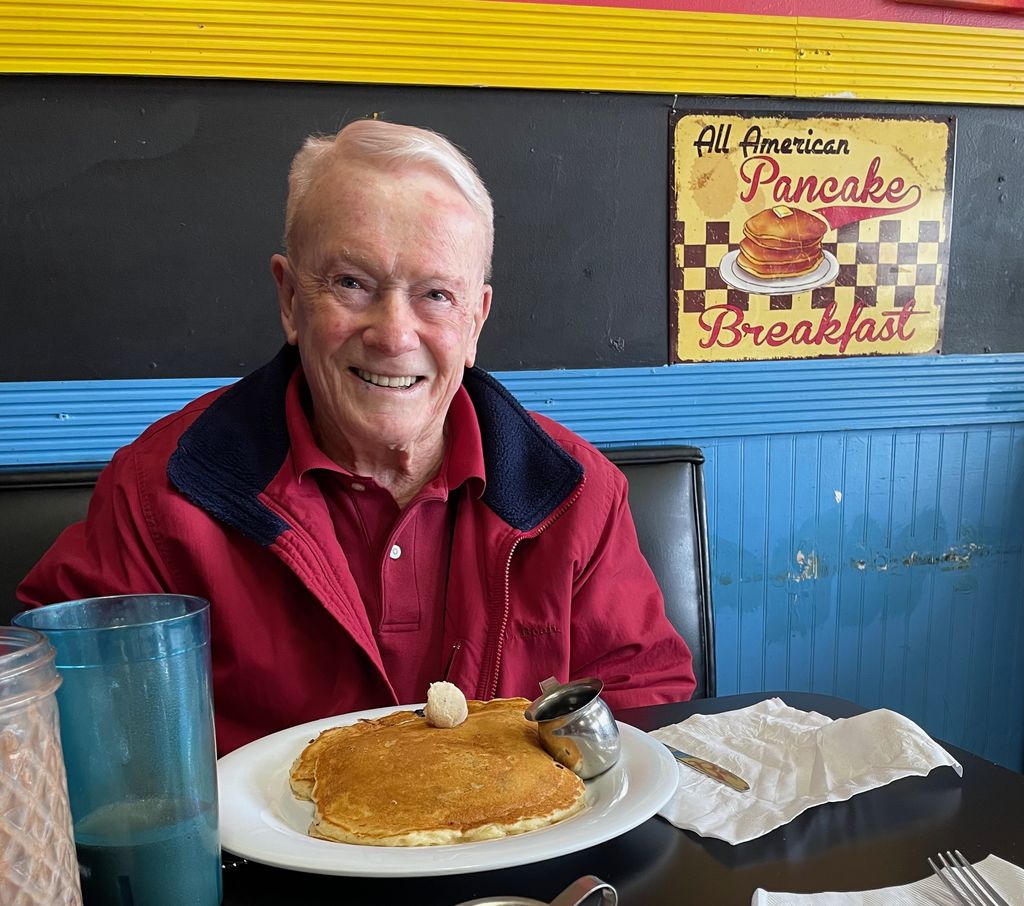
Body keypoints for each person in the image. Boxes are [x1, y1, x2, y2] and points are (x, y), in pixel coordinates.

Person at [19, 119, 695, 754]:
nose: (394, 334)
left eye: (435, 294)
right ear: (289, 299)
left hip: (519, 864)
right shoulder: (156, 497)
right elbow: (46, 716)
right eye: (351, 283)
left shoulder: (577, 494)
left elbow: (642, 714)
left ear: (475, 322)